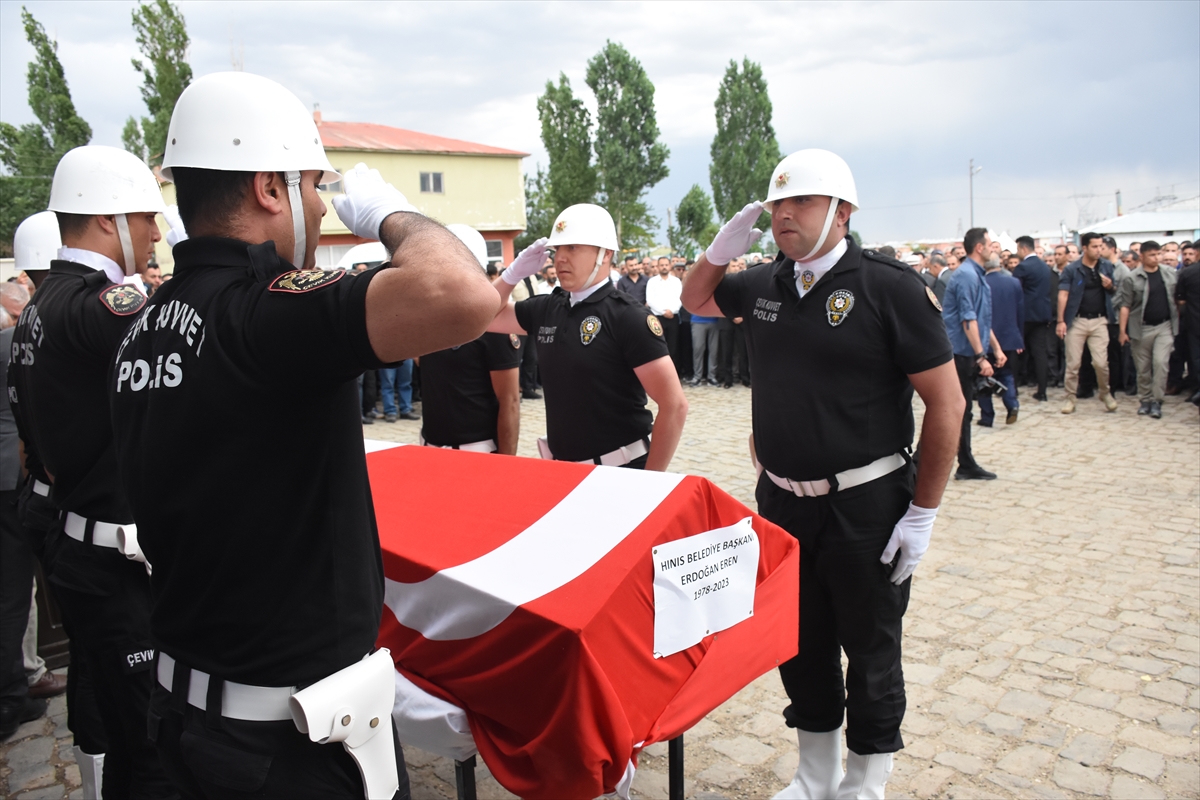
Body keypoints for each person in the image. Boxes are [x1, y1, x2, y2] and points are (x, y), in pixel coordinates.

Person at [107, 71, 498, 800]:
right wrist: (390, 213)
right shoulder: (264, 313)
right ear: (268, 188)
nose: (320, 209)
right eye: (313, 186)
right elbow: (464, 295)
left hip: (186, 713)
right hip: (285, 746)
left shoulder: (142, 330)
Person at [681, 149, 964, 800]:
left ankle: (866, 781)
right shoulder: (764, 284)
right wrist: (720, 249)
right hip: (783, 503)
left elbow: (946, 403)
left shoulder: (888, 288)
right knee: (799, 645)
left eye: (801, 202)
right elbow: (696, 298)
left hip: (867, 506)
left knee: (869, 650)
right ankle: (814, 774)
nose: (785, 214)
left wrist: (923, 513)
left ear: (843, 214)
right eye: (778, 205)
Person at [8, 147, 174, 796]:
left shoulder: (43, 305)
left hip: (73, 539)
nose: (156, 233)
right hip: (110, 564)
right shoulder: (100, 305)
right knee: (152, 744)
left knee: (119, 725)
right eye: (147, 219)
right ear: (107, 221)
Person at [487, 203, 687, 470]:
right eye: (557, 249)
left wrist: (649, 481)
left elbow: (674, 405)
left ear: (605, 254)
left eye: (572, 247)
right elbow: (485, 316)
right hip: (564, 471)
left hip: (621, 470)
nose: (560, 258)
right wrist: (512, 274)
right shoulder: (548, 308)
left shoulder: (627, 317)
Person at [418, 224, 521, 454]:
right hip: (430, 447)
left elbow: (510, 402)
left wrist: (507, 465)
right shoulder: (430, 315)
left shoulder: (493, 321)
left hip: (476, 452)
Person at [943, 228, 1006, 480]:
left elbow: (980, 320)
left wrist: (996, 348)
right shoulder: (968, 276)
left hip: (965, 352)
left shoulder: (975, 275)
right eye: (990, 244)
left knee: (960, 410)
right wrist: (982, 356)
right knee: (958, 410)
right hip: (960, 354)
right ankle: (961, 463)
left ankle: (962, 462)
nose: (993, 248)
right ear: (979, 247)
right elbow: (967, 320)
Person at [1057, 232, 1119, 414]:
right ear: (1084, 248)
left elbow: (1114, 290)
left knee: (1101, 362)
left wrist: (1110, 286)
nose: (1099, 250)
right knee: (1073, 363)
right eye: (1095, 246)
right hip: (1077, 320)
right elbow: (1063, 295)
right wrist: (1061, 321)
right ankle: (1070, 397)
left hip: (1100, 320)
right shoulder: (1072, 269)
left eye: (1101, 246)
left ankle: (1105, 393)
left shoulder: (1107, 266)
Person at [1117, 242, 1178, 418]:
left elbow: (1177, 299)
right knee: (1143, 368)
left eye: (1159, 254)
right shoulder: (1132, 278)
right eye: (1152, 255)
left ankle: (1157, 401)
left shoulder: (1169, 274)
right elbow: (1125, 306)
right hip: (1141, 328)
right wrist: (1123, 331)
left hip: (1164, 326)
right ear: (1142, 257)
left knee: (1160, 363)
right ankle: (1145, 400)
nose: (1157, 258)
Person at [979, 255, 1024, 426]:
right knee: (1007, 374)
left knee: (983, 378)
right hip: (1009, 337)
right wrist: (1020, 338)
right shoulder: (1013, 282)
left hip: (986, 337)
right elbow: (1021, 311)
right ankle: (1012, 404)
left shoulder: (982, 283)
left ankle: (987, 416)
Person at [1011, 236, 1052, 400]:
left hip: (1025, 315)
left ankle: (1013, 387)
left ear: (1023, 248)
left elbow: (1015, 291)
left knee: (1015, 349)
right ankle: (1042, 390)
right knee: (1040, 352)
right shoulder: (1045, 267)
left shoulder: (1022, 267)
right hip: (1042, 314)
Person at [645, 255, 683, 376]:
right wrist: (663, 312)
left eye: (666, 264)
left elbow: (680, 298)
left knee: (674, 347)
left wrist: (672, 310)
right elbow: (650, 300)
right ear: (658, 266)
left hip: (673, 317)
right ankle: (660, 376)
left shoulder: (676, 281)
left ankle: (674, 376)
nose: (664, 267)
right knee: (659, 347)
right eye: (662, 265)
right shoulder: (652, 282)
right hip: (658, 318)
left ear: (670, 265)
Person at [1176, 249, 1200, 406]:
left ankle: (1197, 389)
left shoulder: (1188, 273)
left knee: (1196, 358)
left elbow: (1181, 300)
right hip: (1194, 321)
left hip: (1194, 321)